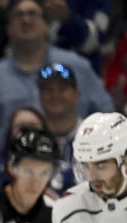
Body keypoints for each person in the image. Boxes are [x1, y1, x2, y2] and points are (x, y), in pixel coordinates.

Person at [0, 0, 111, 168]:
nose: (26, 20)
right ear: (8, 28)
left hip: (74, 175)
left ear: (47, 24)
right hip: (8, 177)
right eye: (18, 15)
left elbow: (108, 119)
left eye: (33, 14)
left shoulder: (78, 68)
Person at [37, 63, 80, 194]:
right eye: (48, 90)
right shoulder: (29, 139)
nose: (55, 95)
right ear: (40, 96)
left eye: (62, 89)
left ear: (76, 95)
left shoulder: (93, 135)